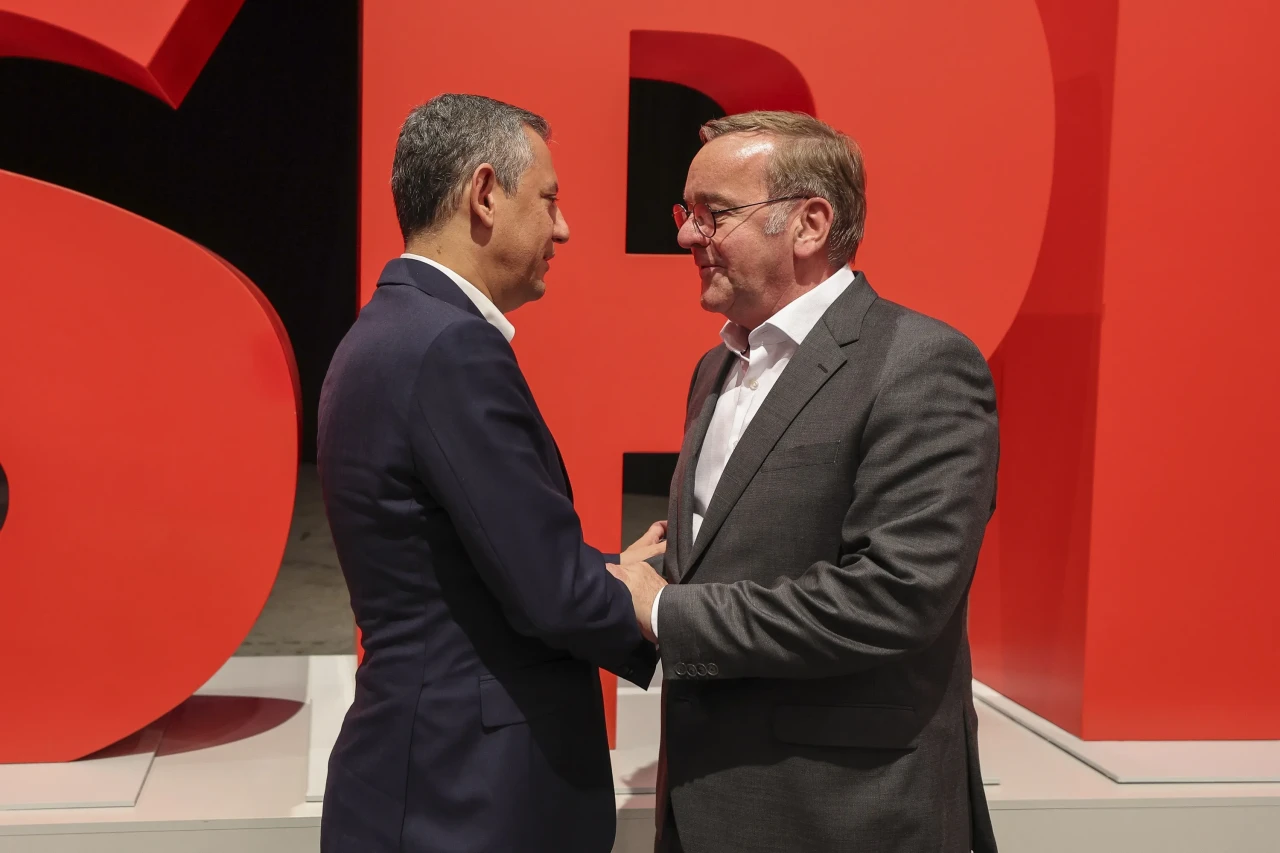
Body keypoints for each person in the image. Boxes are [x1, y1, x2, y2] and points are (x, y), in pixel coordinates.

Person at [607, 111, 1001, 852]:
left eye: (713, 214)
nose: (688, 236)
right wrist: (643, 581)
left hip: (842, 816)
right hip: (701, 804)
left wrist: (664, 610)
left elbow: (894, 598)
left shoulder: (922, 364)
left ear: (810, 224)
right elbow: (741, 555)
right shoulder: (714, 368)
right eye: (685, 213)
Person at [317, 94, 661, 853]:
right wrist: (660, 604)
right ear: (484, 193)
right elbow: (549, 591)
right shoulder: (451, 348)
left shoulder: (387, 330)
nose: (562, 228)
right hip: (468, 800)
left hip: (420, 779)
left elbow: (469, 562)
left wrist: (605, 569)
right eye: (549, 199)